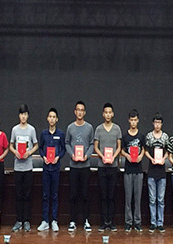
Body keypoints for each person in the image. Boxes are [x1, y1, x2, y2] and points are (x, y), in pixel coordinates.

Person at [65, 100, 95, 233]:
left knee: (85, 194)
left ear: (85, 112)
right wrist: (72, 154)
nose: (80, 112)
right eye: (78, 110)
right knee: (73, 194)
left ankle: (86, 220)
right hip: (74, 166)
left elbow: (92, 144)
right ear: (75, 112)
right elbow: (67, 143)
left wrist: (86, 156)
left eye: (82, 110)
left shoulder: (89, 127)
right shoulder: (70, 127)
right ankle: (73, 221)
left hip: (85, 166)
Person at [9, 104, 38, 232]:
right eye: (21, 114)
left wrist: (29, 152)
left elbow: (36, 145)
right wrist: (15, 152)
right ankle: (19, 220)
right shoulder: (15, 130)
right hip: (18, 167)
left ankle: (26, 220)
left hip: (28, 167)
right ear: (19, 116)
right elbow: (10, 145)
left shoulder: (31, 130)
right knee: (18, 195)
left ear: (28, 115)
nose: (23, 116)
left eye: (25, 114)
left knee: (27, 195)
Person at [94, 102, 122, 232]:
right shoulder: (99, 129)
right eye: (106, 112)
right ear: (103, 114)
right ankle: (103, 222)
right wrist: (103, 157)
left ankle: (111, 222)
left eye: (110, 112)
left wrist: (113, 157)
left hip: (113, 166)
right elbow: (96, 147)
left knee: (112, 195)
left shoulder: (117, 129)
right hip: (102, 166)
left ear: (113, 114)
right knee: (103, 195)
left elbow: (119, 147)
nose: (108, 115)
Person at [37, 107, 66, 232]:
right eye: (50, 116)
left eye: (54, 117)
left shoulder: (61, 134)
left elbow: (64, 149)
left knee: (54, 195)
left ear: (57, 119)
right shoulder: (43, 134)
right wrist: (43, 157)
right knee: (45, 195)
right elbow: (40, 148)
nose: (52, 119)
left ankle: (54, 220)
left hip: (55, 168)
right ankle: (45, 221)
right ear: (47, 119)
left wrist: (58, 157)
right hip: (46, 168)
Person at [120, 109, 145, 232]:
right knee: (128, 197)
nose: (133, 122)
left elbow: (144, 148)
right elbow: (121, 150)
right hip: (128, 170)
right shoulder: (125, 136)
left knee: (138, 198)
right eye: (132, 120)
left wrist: (141, 156)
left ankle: (137, 221)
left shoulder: (141, 136)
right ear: (129, 121)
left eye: (135, 120)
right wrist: (126, 155)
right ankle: (128, 222)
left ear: (138, 121)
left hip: (139, 170)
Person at [144, 113, 169, 233]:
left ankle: (160, 223)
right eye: (156, 122)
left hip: (162, 173)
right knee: (152, 199)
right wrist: (151, 158)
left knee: (161, 200)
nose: (157, 125)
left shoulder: (165, 136)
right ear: (153, 123)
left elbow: (168, 151)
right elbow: (145, 151)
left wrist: (164, 159)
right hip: (151, 172)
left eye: (159, 123)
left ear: (161, 124)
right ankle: (153, 222)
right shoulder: (149, 136)